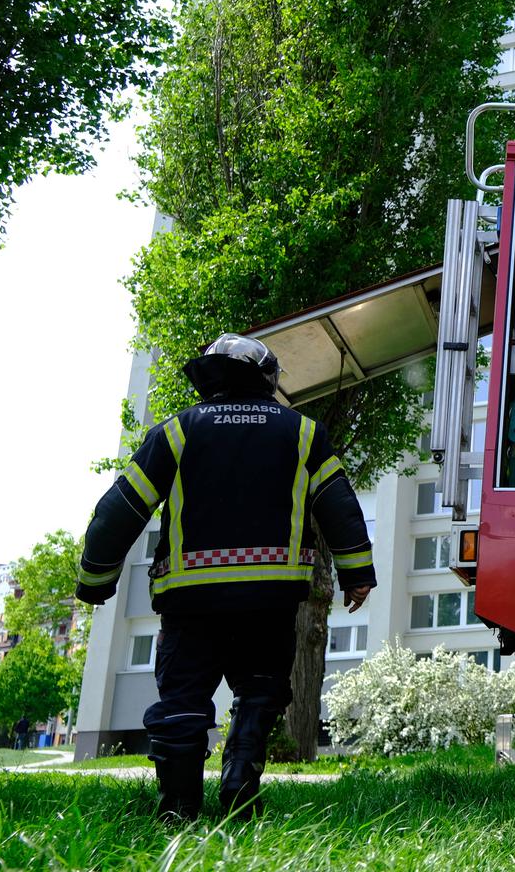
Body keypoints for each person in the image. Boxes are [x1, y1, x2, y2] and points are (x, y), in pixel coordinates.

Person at [76, 334, 376, 821]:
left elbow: (120, 510)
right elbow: (339, 506)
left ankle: (178, 806)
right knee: (261, 689)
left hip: (190, 598)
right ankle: (239, 776)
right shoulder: (302, 432)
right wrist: (356, 572)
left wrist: (96, 578)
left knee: (183, 697)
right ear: (268, 378)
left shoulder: (175, 432)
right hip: (271, 598)